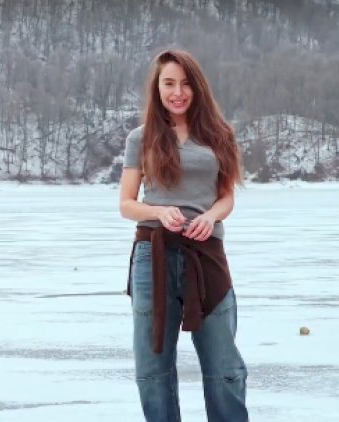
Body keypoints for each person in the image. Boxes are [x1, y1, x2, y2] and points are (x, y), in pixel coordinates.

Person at [119, 49, 249, 422]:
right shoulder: (141, 138)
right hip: (153, 255)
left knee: (225, 365)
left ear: (198, 87)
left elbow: (226, 197)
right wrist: (159, 211)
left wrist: (210, 217)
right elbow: (126, 204)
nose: (178, 92)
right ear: (157, 88)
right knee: (152, 367)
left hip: (206, 253)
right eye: (169, 84)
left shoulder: (219, 135)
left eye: (186, 83)